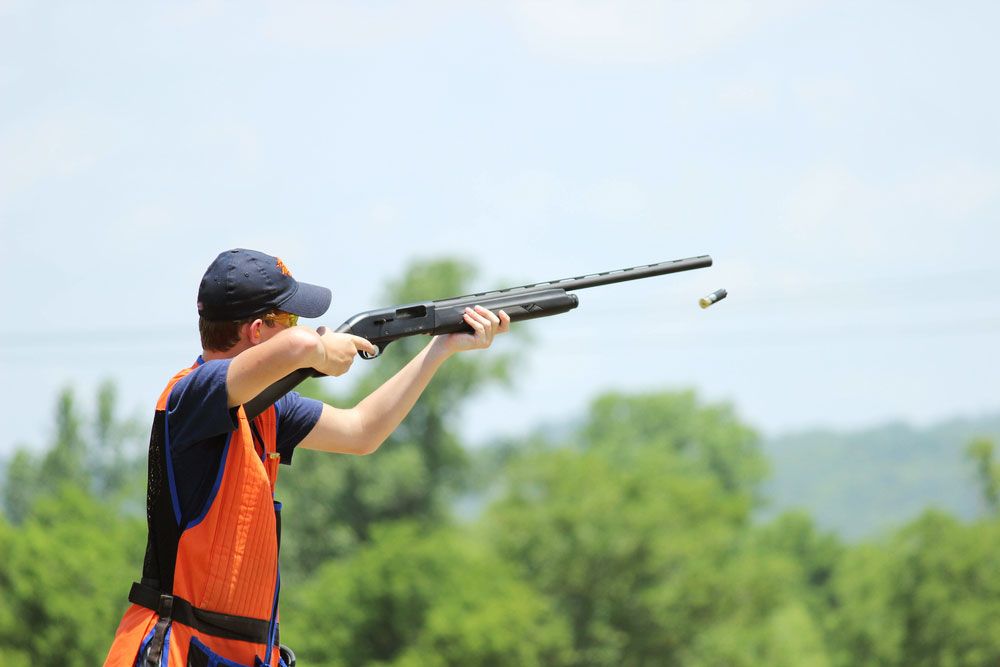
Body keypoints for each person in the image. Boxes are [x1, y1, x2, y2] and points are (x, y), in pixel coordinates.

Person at [103, 248, 510, 667]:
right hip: (174, 653)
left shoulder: (266, 409)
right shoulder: (190, 395)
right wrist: (321, 352)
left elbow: (362, 431)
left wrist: (439, 350)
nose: (303, 329)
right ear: (258, 330)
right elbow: (299, 347)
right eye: (291, 319)